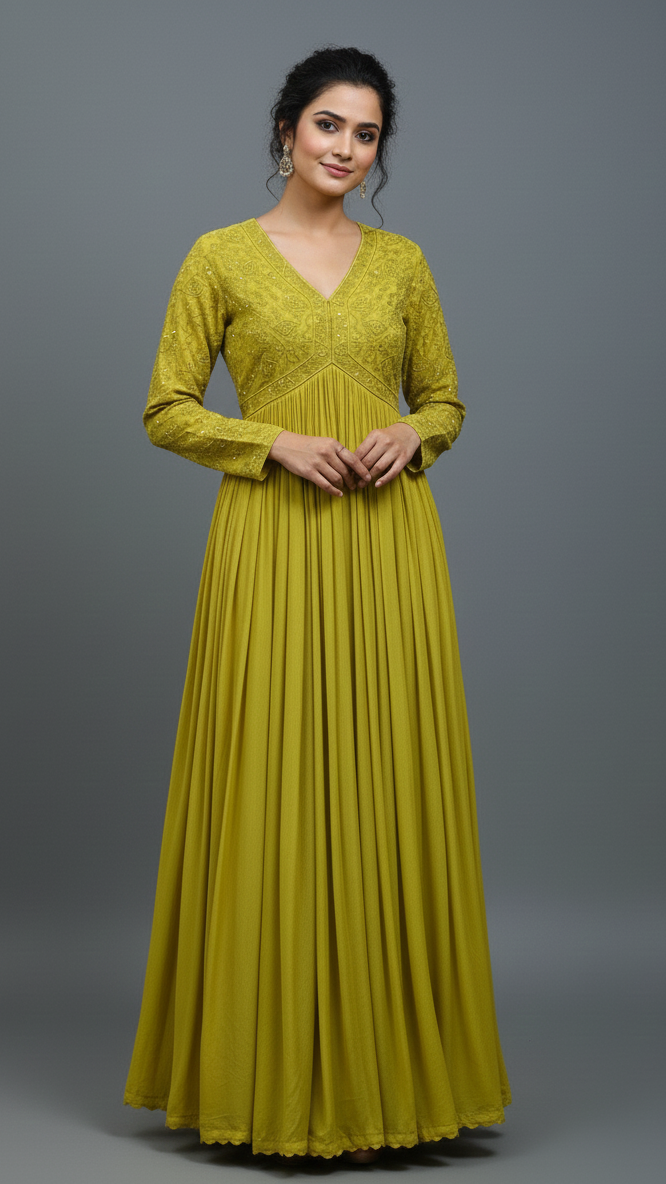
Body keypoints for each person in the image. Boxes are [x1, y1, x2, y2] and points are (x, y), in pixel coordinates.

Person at [124, 45, 511, 1164]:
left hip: (388, 546)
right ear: (287, 127)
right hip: (273, 542)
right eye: (328, 124)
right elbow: (165, 407)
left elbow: (447, 399)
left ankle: (394, 1085)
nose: (346, 148)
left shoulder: (403, 263)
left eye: (367, 133)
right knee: (272, 779)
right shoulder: (218, 256)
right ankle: (266, 1085)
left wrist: (414, 433)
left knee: (389, 777)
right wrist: (272, 441)